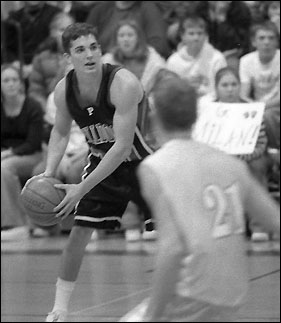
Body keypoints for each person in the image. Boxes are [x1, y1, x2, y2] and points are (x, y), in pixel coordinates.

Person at [23, 22, 154, 322]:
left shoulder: (123, 83)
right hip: (99, 161)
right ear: (68, 58)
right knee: (79, 233)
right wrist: (48, 173)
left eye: (94, 46)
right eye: (80, 50)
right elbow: (59, 133)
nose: (90, 54)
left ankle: (174, 298)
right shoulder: (63, 91)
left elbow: (122, 147)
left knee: (165, 232)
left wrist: (80, 188)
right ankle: (59, 309)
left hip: (141, 163)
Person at [125, 74, 280, 322]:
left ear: (154, 118)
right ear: (196, 117)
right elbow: (275, 221)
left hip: (190, 294)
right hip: (232, 295)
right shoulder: (230, 163)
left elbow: (172, 248)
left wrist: (153, 314)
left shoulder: (154, 167)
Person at [201, 66, 271, 241]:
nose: (230, 89)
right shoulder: (208, 111)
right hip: (216, 158)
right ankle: (216, 225)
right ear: (216, 87)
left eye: (234, 84)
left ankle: (258, 226)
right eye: (225, 85)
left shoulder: (252, 109)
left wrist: (239, 157)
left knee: (258, 165)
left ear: (240, 86)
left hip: (248, 158)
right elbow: (202, 143)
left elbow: (261, 144)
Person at [1, 63, 44, 240]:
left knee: (4, 168)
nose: (11, 84)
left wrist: (9, 153)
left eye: (14, 80)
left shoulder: (32, 106)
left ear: (21, 83)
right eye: (6, 80)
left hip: (32, 155)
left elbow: (33, 143)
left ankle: (18, 225)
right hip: (6, 155)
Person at [239, 21, 280, 150]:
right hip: (257, 105)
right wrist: (251, 105)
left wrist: (260, 107)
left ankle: (275, 150)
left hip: (274, 105)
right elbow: (243, 93)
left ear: (277, 41)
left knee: (267, 115)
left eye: (271, 38)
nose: (266, 42)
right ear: (254, 42)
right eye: (261, 38)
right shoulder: (246, 61)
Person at [166, 13, 227, 97]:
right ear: (182, 36)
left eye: (200, 33)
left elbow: (222, 90)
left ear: (206, 36)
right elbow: (170, 91)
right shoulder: (173, 61)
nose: (196, 38)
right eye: (191, 33)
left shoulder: (217, 58)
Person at [86, 1, 171, 59]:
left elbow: (159, 46)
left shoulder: (149, 9)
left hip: (135, 63)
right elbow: (85, 40)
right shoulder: (100, 10)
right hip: (101, 63)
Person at [28, 12, 75, 112]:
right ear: (53, 32)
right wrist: (46, 111)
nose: (66, 34)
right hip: (52, 111)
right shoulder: (41, 59)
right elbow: (35, 92)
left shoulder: (84, 56)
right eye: (62, 30)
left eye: (70, 30)